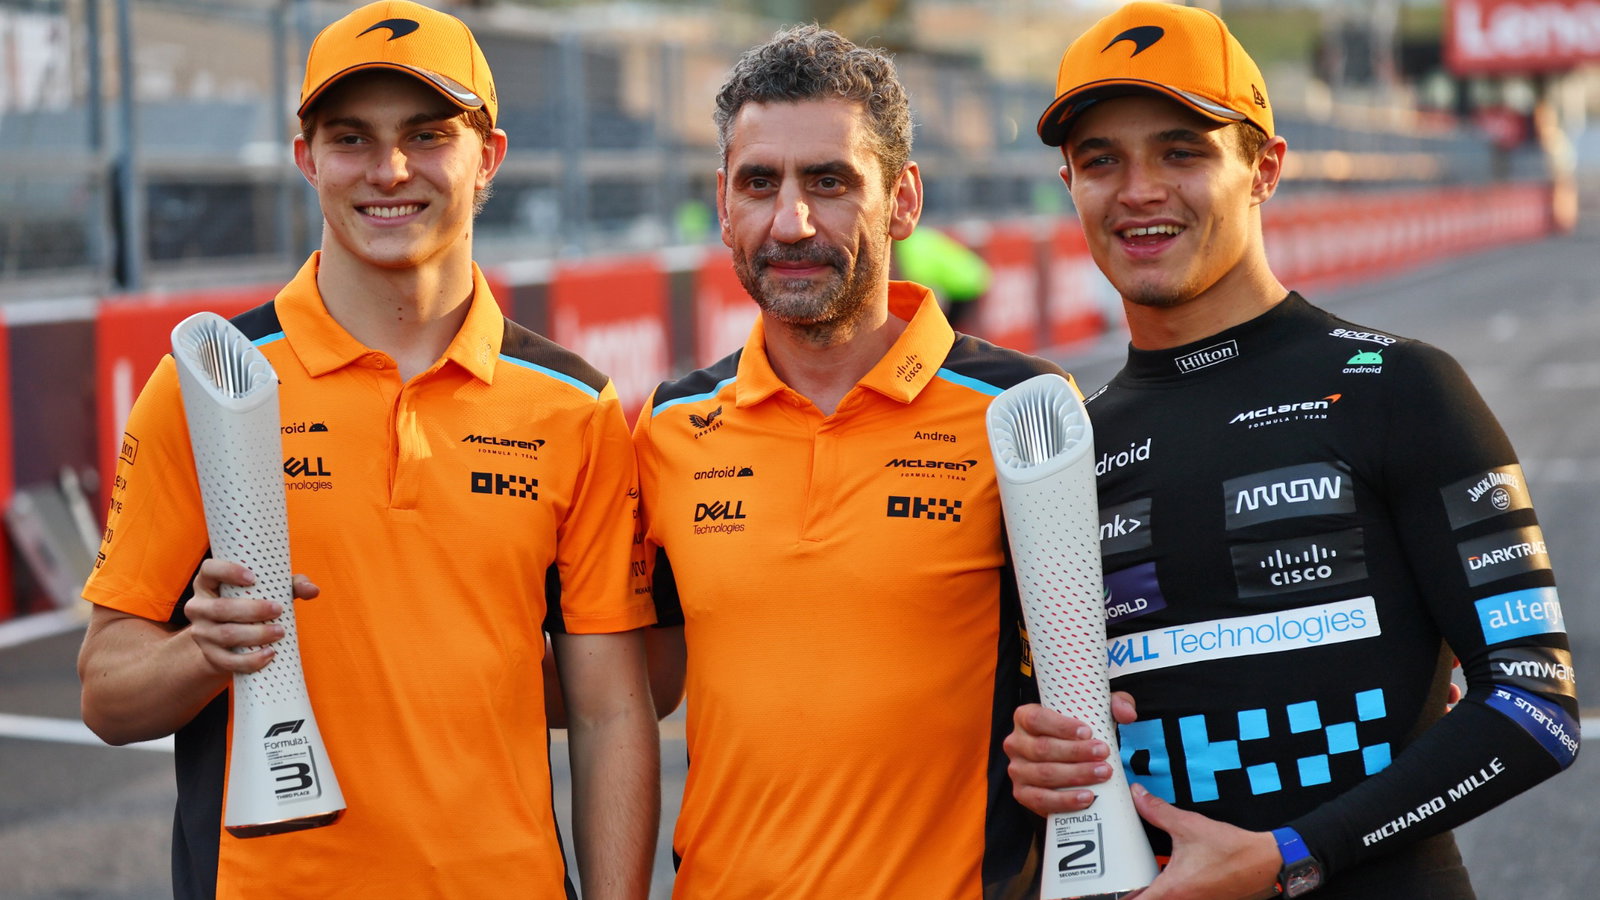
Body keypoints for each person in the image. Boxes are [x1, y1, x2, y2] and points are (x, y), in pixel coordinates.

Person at [76, 3, 659, 897]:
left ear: (488, 157)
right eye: (350, 138)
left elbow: (613, 708)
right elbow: (107, 696)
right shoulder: (207, 383)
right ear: (306, 158)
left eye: (427, 135)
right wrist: (201, 651)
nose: (389, 171)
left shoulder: (573, 406)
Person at [1005, 4, 1580, 899]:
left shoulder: (1400, 386)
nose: (1139, 190)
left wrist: (1291, 855)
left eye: (1182, 151)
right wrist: (1038, 763)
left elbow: (1536, 708)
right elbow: (1058, 749)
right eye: (1099, 161)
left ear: (1263, 169)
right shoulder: (1069, 447)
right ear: (1070, 185)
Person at [633, 25, 1071, 899]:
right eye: (760, 183)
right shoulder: (668, 427)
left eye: (829, 182)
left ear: (902, 200)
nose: (791, 222)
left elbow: (1125, 664)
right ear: (724, 203)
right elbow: (630, 687)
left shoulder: (1025, 409)